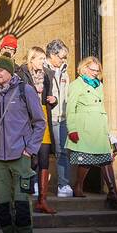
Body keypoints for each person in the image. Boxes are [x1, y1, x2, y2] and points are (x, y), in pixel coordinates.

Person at [0, 52, 46, 233]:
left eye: (0, 70)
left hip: (21, 156)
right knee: (2, 203)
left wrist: (30, 150)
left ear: (9, 72)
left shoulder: (24, 90)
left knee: (20, 202)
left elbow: (40, 122)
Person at [64, 56, 117, 209]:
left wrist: (108, 131)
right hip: (84, 126)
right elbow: (70, 109)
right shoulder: (76, 85)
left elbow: (101, 107)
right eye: (92, 70)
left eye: (97, 71)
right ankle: (78, 186)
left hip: (99, 126)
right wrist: (72, 129)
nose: (95, 73)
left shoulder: (99, 85)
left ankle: (113, 193)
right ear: (83, 68)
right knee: (87, 159)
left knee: (105, 159)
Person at [19, 45, 57, 214]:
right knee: (29, 159)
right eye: (41, 58)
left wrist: (53, 99)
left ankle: (42, 200)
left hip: (43, 117)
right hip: (28, 120)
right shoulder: (21, 73)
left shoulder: (48, 74)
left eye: (44, 59)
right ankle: (23, 199)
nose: (43, 62)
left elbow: (50, 96)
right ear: (32, 59)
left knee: (44, 158)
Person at [45, 40, 72, 198]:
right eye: (62, 57)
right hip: (47, 116)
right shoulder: (42, 68)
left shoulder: (64, 72)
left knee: (62, 151)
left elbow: (66, 95)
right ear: (52, 55)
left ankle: (63, 185)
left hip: (62, 118)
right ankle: (36, 184)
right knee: (41, 152)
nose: (64, 60)